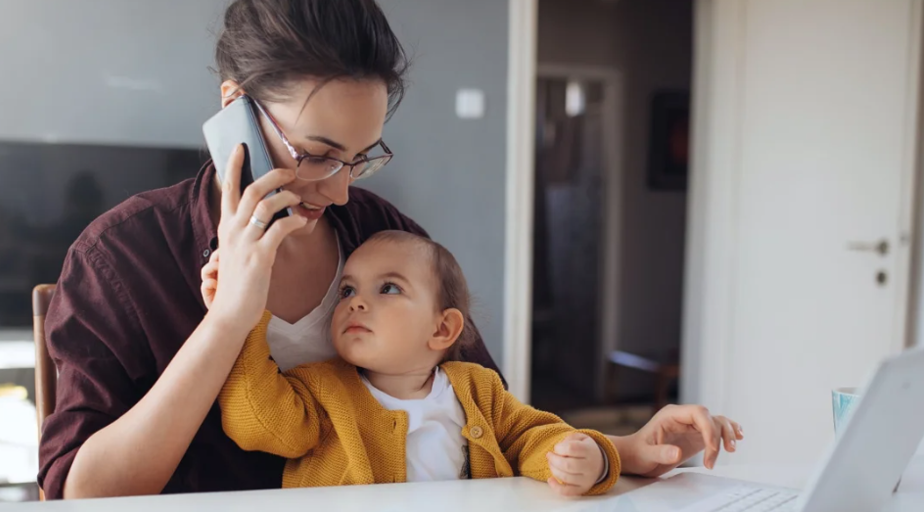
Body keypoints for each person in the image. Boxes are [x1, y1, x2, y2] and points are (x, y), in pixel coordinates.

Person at [38, 0, 743, 500]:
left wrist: (620, 450)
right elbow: (84, 493)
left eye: (358, 157)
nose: (340, 193)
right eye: (315, 155)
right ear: (235, 109)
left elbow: (483, 420)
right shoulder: (121, 258)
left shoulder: (384, 241)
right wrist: (227, 323)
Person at [209, 231, 631, 496]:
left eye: (388, 288)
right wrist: (244, 318)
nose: (356, 300)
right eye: (347, 290)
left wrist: (585, 457)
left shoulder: (478, 388)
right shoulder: (321, 388)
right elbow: (259, 423)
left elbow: (533, 436)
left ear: (443, 329)